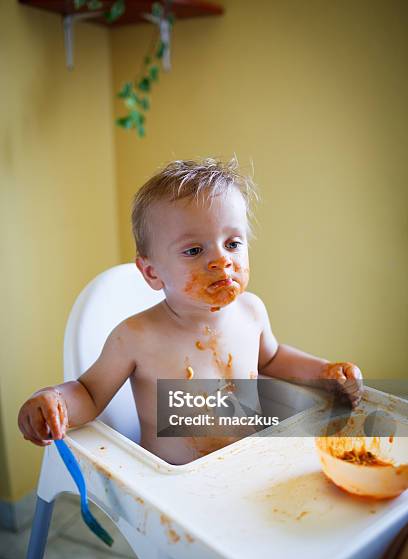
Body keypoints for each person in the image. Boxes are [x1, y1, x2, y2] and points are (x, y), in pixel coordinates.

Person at [18, 158, 363, 464]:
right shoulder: (137, 336)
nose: (221, 260)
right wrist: (52, 401)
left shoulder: (251, 311)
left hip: (245, 466)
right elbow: (91, 394)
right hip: (174, 489)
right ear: (152, 273)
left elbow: (272, 359)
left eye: (232, 243)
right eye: (195, 249)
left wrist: (325, 372)